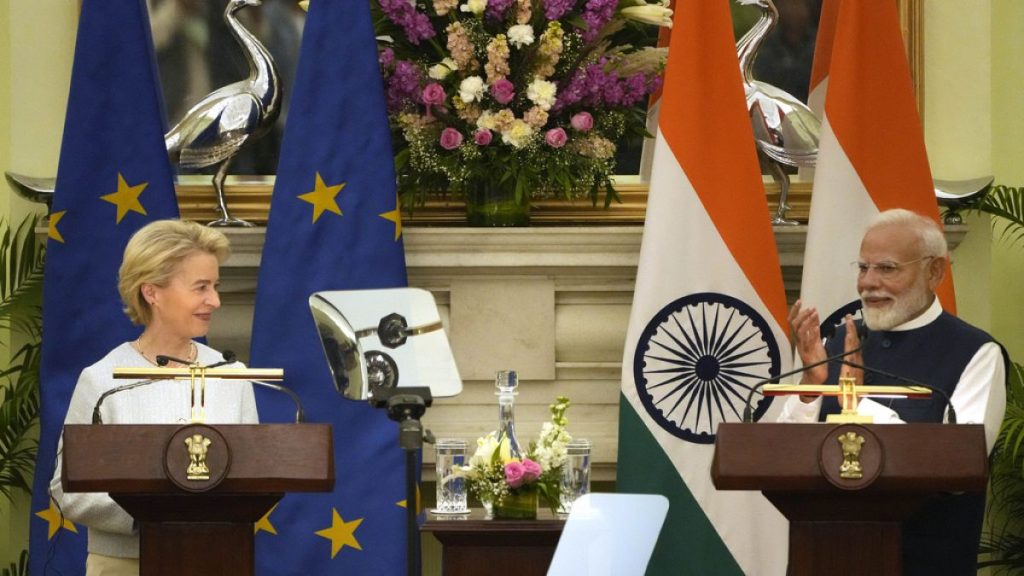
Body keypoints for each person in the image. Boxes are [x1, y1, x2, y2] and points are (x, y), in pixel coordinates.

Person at [780, 208, 1007, 575]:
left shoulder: (975, 353)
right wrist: (810, 387)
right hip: (823, 558)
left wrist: (858, 403)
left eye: (887, 268)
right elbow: (782, 457)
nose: (868, 283)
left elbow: (958, 467)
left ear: (934, 272)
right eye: (863, 268)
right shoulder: (838, 342)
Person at [49, 219, 258, 576]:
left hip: (217, 560)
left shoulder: (232, 375)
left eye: (216, 286)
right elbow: (65, 489)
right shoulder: (102, 379)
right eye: (201, 287)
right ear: (152, 293)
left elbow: (255, 475)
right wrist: (151, 515)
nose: (215, 301)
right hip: (124, 565)